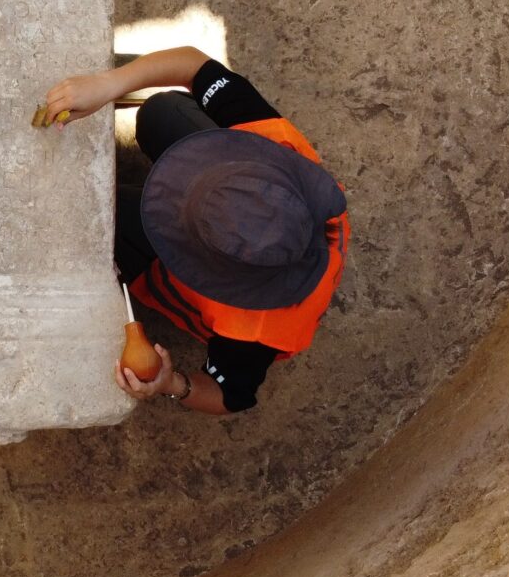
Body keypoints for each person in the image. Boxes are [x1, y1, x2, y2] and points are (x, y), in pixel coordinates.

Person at [40, 47, 349, 415]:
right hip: (236, 193)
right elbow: (195, 65)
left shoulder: (253, 333)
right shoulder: (275, 146)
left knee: (106, 216)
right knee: (162, 110)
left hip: (185, 275)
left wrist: (171, 383)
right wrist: (107, 85)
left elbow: (228, 397)